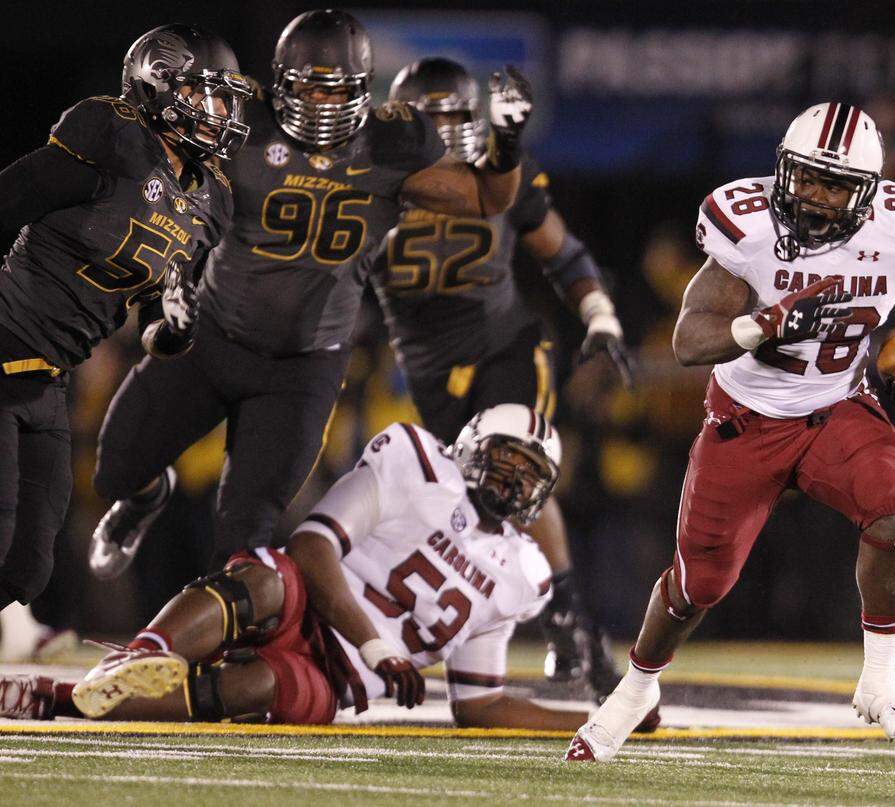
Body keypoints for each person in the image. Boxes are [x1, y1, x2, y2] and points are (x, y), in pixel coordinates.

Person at [564, 103, 895, 761]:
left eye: (832, 183)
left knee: (892, 502)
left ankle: (880, 677)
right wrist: (763, 325)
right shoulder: (749, 226)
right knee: (699, 585)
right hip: (747, 418)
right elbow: (689, 339)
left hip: (837, 406)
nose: (812, 194)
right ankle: (635, 689)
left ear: (867, 194)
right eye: (803, 176)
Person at [89, 10, 535, 578]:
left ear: (363, 89)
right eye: (310, 88)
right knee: (116, 469)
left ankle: (226, 631)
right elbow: (161, 163)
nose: (324, 103)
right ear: (281, 84)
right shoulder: (243, 120)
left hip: (302, 368)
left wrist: (508, 144)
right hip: (212, 338)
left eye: (338, 89)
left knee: (244, 537)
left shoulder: (394, 143)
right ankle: (144, 500)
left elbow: (486, 198)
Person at [1, 405, 659, 734]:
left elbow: (479, 702)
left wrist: (599, 719)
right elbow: (314, 545)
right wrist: (377, 643)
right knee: (261, 579)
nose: (514, 481)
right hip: (311, 600)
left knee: (255, 687)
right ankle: (142, 655)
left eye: (529, 474)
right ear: (470, 447)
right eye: (506, 459)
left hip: (338, 677)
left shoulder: (521, 572)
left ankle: (58, 699)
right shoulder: (419, 463)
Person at [376, 58, 633, 699]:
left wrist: (600, 316)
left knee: (513, 465)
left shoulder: (500, 174)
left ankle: (567, 619)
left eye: (453, 116)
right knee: (460, 501)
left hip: (503, 346)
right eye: (428, 118)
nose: (442, 131)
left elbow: (562, 252)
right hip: (428, 369)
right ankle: (478, 623)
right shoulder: (370, 178)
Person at [0, 24, 250, 611]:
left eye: (224, 99)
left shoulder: (210, 201)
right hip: (5, 342)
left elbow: (155, 329)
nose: (218, 112)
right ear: (157, 84)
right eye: (202, 94)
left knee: (27, 569)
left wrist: (178, 327)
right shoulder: (113, 138)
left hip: (49, 379)